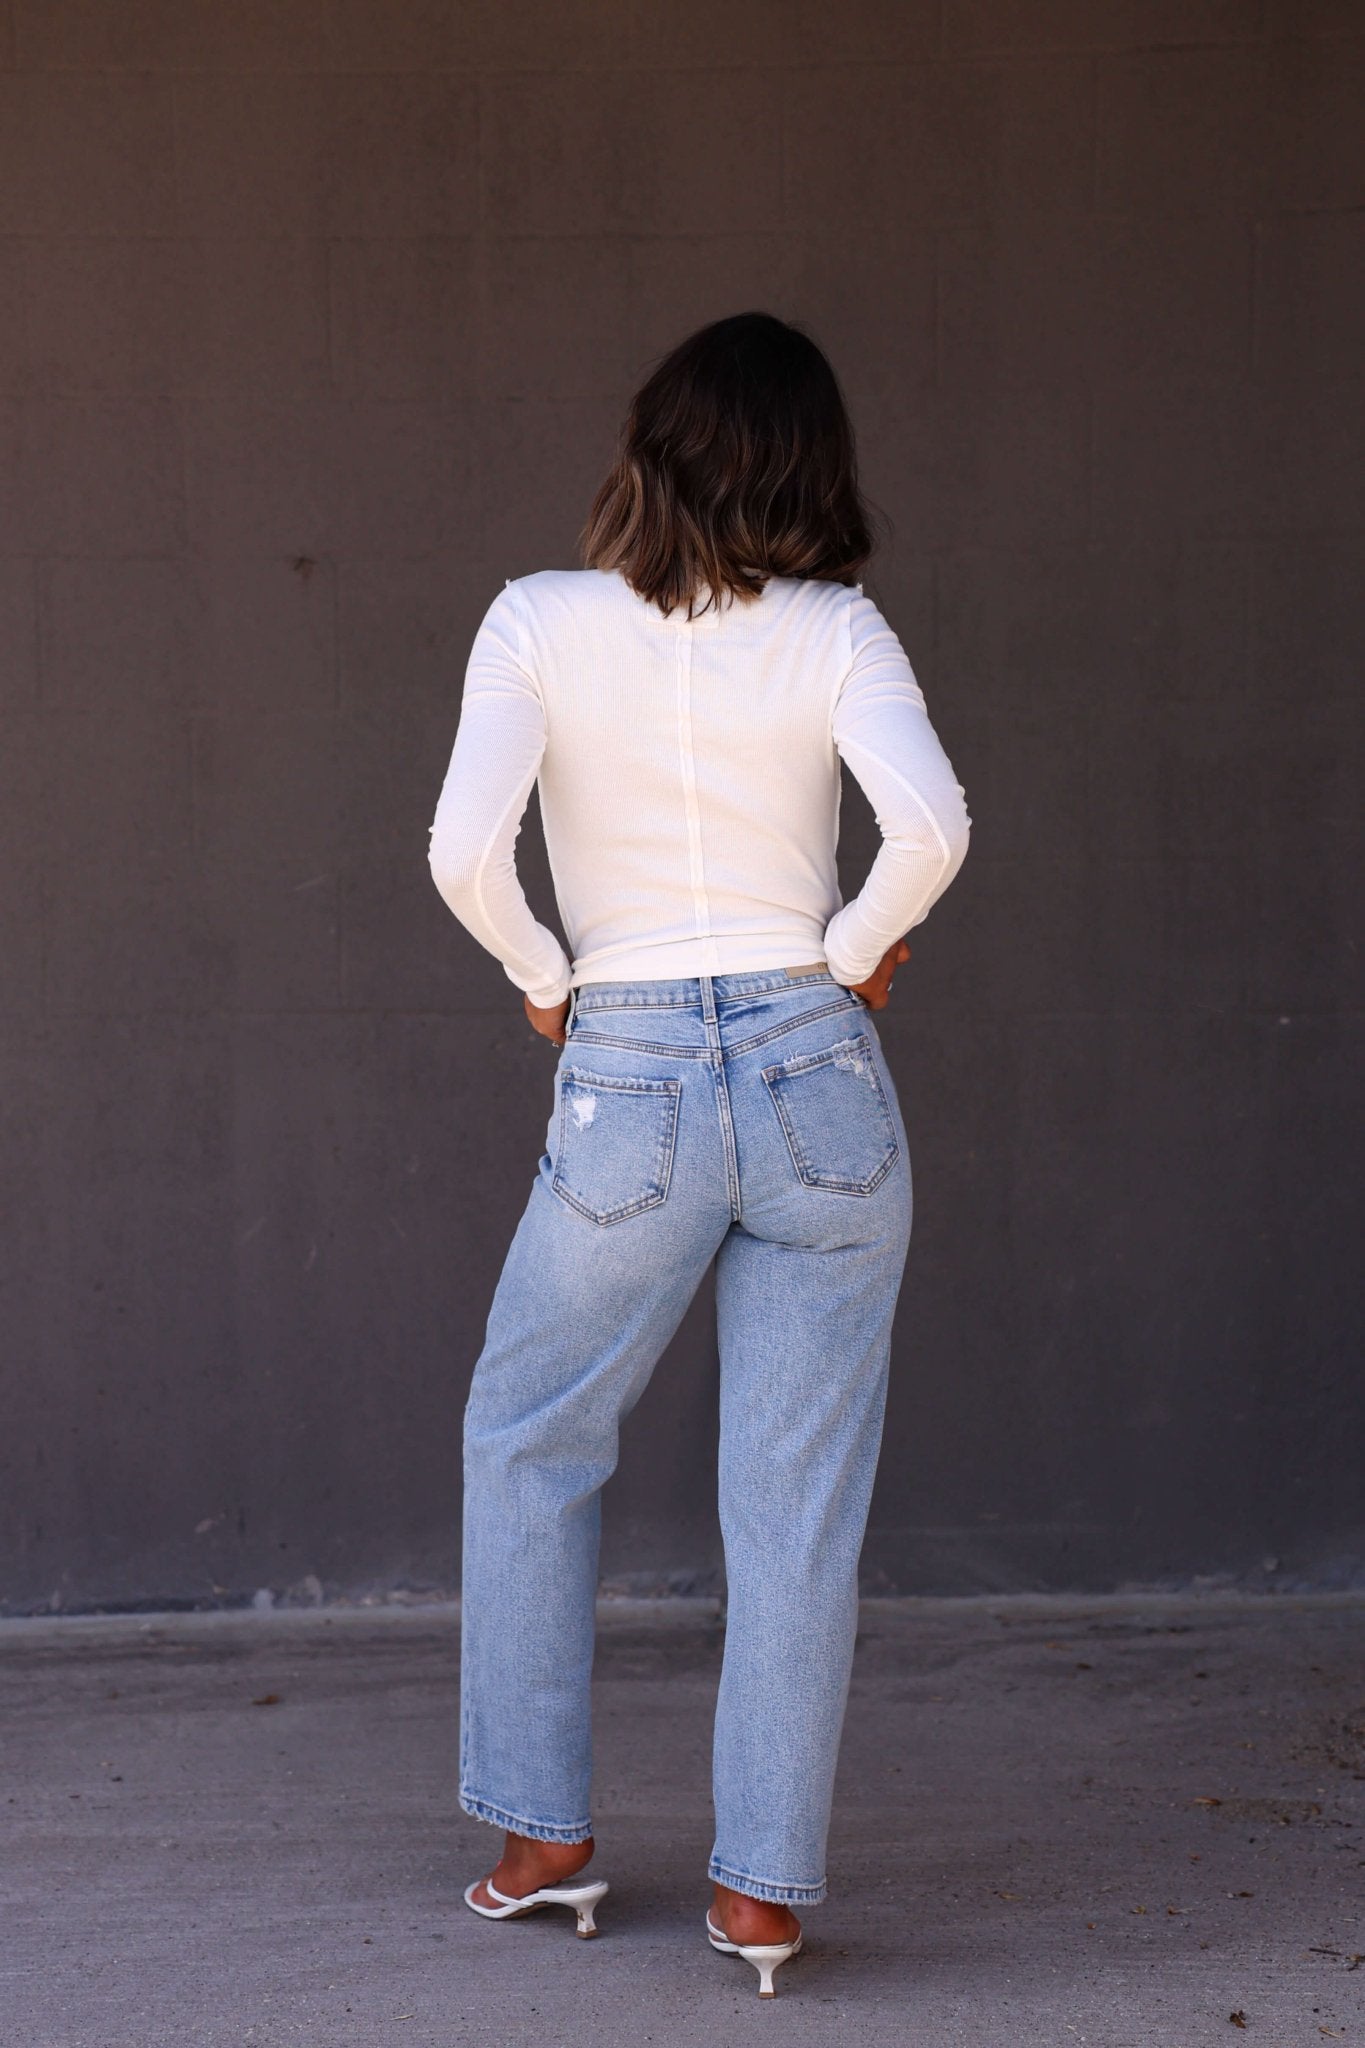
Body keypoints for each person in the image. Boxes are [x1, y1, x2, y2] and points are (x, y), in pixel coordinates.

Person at [426, 311, 971, 1997]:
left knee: (530, 1436)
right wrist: (857, 948)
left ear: (645, 449)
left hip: (632, 1072)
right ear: (814, 465)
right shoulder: (836, 629)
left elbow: (462, 852)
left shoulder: (539, 619)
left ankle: (542, 1842)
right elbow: (935, 828)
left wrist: (547, 980)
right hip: (819, 1071)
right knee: (792, 1509)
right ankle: (760, 1900)